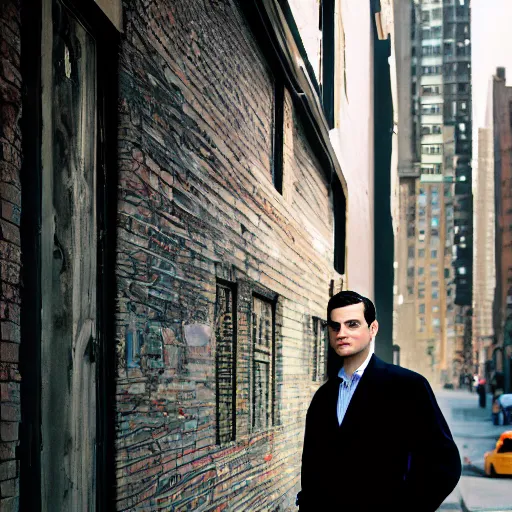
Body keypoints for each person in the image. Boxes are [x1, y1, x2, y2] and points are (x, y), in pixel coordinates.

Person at [297, 291, 461, 511]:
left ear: (372, 329)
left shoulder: (408, 386)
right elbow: (311, 471)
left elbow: (444, 465)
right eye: (335, 326)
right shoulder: (322, 398)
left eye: (352, 324)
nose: (341, 333)